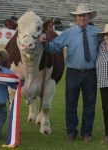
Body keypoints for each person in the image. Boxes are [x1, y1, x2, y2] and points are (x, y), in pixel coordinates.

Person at [39, 3, 101, 142]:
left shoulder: (97, 33)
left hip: (91, 74)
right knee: (71, 103)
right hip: (73, 73)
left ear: (89, 16)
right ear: (76, 17)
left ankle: (86, 133)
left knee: (90, 104)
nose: (81, 18)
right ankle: (71, 132)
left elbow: (105, 48)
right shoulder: (69, 33)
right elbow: (55, 47)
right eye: (79, 15)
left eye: (84, 15)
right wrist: (44, 43)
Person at [96, 24, 108, 143]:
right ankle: (107, 135)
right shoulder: (100, 47)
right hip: (104, 83)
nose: (107, 37)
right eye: (106, 35)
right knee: (106, 109)